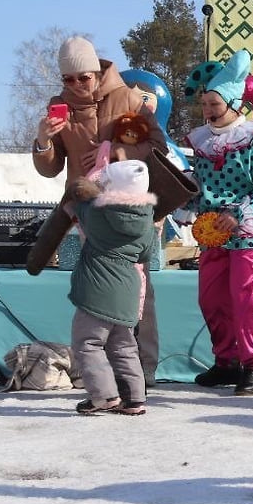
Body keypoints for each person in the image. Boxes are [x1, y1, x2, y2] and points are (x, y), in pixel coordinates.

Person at [29, 37, 169, 386]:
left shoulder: (128, 97)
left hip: (128, 212)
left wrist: (117, 151)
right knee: (93, 289)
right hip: (87, 212)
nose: (76, 85)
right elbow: (49, 168)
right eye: (67, 79)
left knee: (136, 290)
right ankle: (100, 373)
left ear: (97, 71)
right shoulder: (58, 107)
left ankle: (143, 370)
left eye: (83, 77)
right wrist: (43, 140)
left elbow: (158, 146)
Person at [182, 50, 253, 396]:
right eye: (205, 104)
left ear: (232, 103)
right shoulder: (202, 143)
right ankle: (225, 361)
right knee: (211, 299)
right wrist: (184, 196)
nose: (208, 110)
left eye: (215, 103)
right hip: (214, 235)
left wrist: (236, 213)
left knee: (244, 300)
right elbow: (201, 186)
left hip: (250, 235)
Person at [67, 160, 156, 416]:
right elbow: (145, 254)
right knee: (124, 346)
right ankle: (135, 398)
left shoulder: (96, 210)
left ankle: (104, 396)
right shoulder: (147, 216)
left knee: (88, 342)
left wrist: (86, 191)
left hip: (99, 287)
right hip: (128, 286)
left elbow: (75, 206)